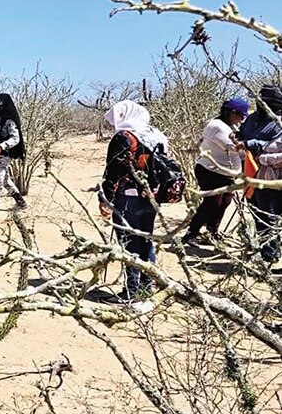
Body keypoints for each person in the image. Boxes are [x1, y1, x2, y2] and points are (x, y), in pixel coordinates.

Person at [99, 100, 169, 302]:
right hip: (151, 197)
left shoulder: (124, 136)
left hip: (127, 198)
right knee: (146, 241)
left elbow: (113, 171)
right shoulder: (157, 134)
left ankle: (131, 291)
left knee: (128, 244)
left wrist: (105, 199)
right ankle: (147, 287)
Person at [182, 97, 249, 245]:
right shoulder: (217, 126)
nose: (241, 120)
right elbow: (234, 148)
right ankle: (191, 233)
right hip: (210, 171)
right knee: (212, 203)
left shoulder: (232, 127)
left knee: (225, 201)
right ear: (232, 112)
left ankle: (213, 231)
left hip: (226, 173)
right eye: (240, 116)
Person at [239, 85, 282, 263]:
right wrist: (239, 138)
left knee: (269, 217)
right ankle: (269, 252)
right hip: (252, 176)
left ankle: (270, 255)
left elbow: (277, 151)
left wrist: (260, 154)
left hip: (273, 180)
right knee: (258, 215)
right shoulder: (252, 119)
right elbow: (243, 135)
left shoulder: (279, 121)